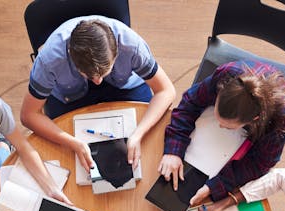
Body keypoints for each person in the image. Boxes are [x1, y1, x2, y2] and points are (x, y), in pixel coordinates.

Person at [20, 16, 176, 172]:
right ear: (72, 59)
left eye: (103, 72)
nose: (98, 82)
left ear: (117, 52)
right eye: (89, 75)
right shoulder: (49, 61)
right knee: (65, 159)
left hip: (124, 86)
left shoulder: (131, 45)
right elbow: (28, 115)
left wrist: (137, 134)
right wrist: (74, 143)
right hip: (69, 95)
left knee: (150, 142)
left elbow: (166, 91)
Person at [158, 60, 285, 206]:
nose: (219, 126)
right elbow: (190, 103)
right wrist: (174, 151)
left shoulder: (281, 117)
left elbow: (261, 163)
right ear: (219, 93)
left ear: (254, 119)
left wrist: (216, 186)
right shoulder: (226, 74)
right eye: (217, 118)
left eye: (228, 127)